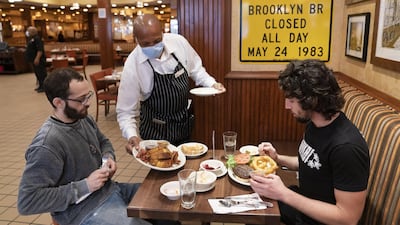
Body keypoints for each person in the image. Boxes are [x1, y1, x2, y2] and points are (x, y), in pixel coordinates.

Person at [17, 68, 151, 225]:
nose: (88, 103)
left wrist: (108, 157)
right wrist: (85, 186)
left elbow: (103, 142)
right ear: (58, 102)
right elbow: (27, 201)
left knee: (160, 202)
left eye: (88, 96)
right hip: (82, 210)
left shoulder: (82, 118)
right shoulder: (47, 144)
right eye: (81, 99)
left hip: (109, 190)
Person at [250, 60, 370, 225]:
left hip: (319, 221)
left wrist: (284, 193)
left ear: (311, 100)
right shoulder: (315, 124)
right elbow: (312, 163)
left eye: (291, 100)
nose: (286, 106)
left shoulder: (347, 148)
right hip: (304, 206)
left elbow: (348, 218)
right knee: (250, 209)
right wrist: (278, 159)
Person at [116, 14, 226, 153]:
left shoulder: (179, 43)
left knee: (185, 168)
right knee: (161, 169)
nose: (153, 46)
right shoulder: (133, 65)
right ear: (136, 40)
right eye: (146, 44)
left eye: (157, 40)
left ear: (163, 33)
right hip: (155, 132)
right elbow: (125, 112)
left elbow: (196, 70)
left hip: (183, 125)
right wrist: (132, 135)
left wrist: (212, 84)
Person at [25, 26, 47, 93]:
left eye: (28, 31)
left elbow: (39, 50)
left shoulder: (37, 39)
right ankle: (40, 86)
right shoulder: (32, 39)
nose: (27, 32)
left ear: (32, 32)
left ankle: (44, 87)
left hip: (39, 60)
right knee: (37, 74)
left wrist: (37, 58)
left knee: (41, 73)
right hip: (33, 59)